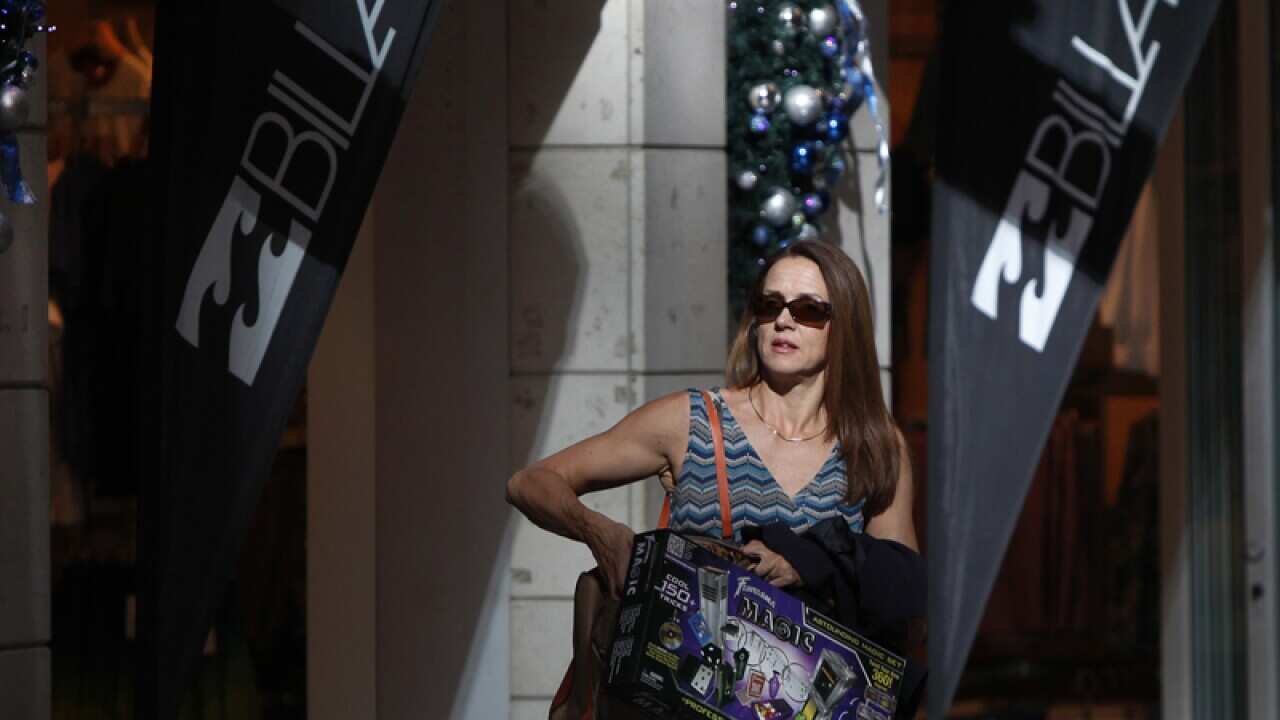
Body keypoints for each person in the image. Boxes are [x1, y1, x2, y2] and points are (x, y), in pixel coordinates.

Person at [506, 240, 922, 649]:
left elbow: (901, 586)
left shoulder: (872, 444)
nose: (783, 320)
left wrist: (810, 563)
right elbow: (530, 482)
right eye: (769, 304)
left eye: (808, 310)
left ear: (845, 325)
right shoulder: (692, 421)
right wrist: (600, 531)